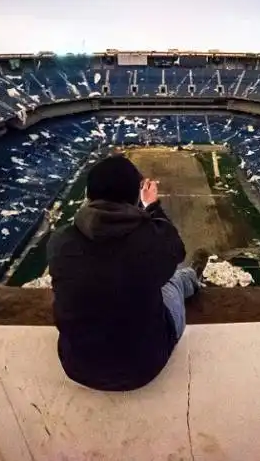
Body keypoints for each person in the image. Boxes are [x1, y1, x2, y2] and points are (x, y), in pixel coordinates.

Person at [47, 155, 209, 391]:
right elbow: (175, 249)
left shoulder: (60, 241)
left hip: (77, 364)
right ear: (134, 198)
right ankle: (193, 278)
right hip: (143, 367)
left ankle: (190, 279)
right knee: (174, 279)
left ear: (89, 196)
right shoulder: (150, 240)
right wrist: (152, 206)